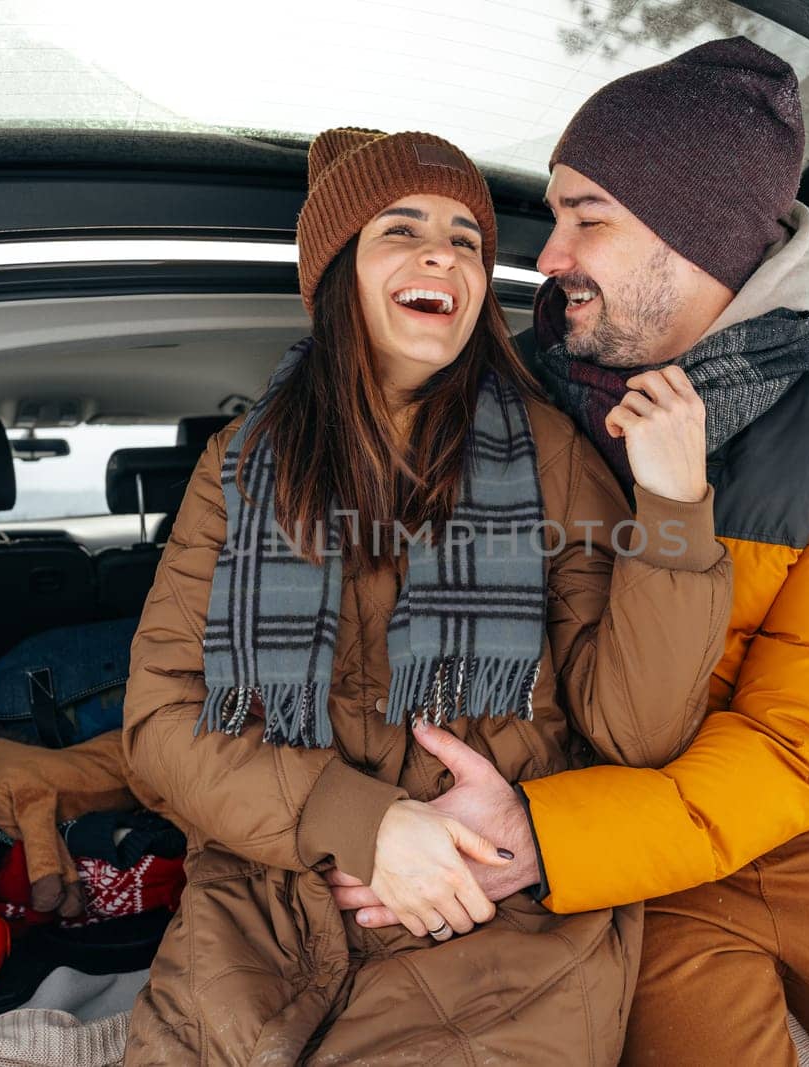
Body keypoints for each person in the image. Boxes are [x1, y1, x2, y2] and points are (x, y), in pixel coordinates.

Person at [330, 41, 809, 1066]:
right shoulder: (498, 401)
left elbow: (801, 746)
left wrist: (546, 836)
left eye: (586, 216)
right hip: (606, 850)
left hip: (807, 835)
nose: (550, 257)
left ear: (694, 237)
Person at [120, 127, 734, 1063]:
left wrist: (674, 507)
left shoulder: (555, 457)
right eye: (399, 230)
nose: (441, 253)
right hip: (263, 913)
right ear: (339, 273)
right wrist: (362, 826)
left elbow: (634, 731)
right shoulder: (239, 468)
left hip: (494, 920)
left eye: (467, 240)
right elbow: (161, 725)